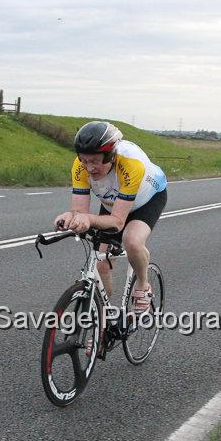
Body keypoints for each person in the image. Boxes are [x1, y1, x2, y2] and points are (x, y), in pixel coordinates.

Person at [53, 120, 168, 314]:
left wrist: (88, 219)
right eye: (84, 160)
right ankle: (102, 323)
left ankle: (143, 284)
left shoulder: (131, 164)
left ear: (111, 156)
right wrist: (71, 217)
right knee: (101, 264)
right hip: (113, 202)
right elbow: (80, 213)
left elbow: (117, 222)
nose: (89, 168)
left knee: (131, 240)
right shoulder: (80, 167)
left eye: (95, 161)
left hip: (147, 200)